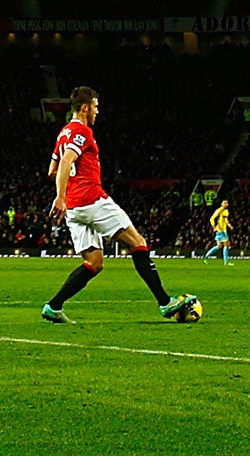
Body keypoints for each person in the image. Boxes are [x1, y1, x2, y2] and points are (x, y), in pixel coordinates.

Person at [37, 87, 194, 324]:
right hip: (92, 199)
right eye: (96, 107)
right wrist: (60, 195)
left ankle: (53, 307)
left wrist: (66, 194)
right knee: (138, 243)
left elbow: (52, 169)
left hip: (74, 208)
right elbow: (68, 159)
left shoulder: (63, 133)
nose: (98, 112)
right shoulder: (82, 131)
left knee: (94, 263)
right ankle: (165, 302)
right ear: (85, 107)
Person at [202, 198, 231, 262]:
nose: (226, 204)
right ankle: (226, 262)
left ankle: (206, 257)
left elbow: (225, 220)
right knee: (226, 244)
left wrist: (229, 225)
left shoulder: (226, 211)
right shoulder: (218, 211)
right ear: (221, 204)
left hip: (224, 230)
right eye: (224, 203)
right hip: (220, 230)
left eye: (227, 203)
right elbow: (211, 219)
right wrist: (214, 227)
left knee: (219, 246)